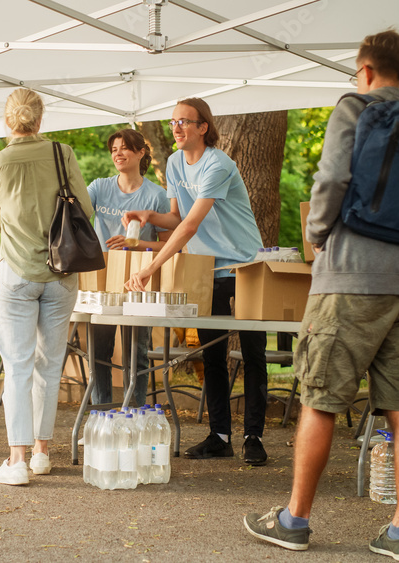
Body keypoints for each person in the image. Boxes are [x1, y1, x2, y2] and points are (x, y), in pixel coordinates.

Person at [244, 30, 399, 562]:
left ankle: (295, 520)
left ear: (367, 71)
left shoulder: (354, 107)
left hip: (348, 281)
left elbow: (330, 182)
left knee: (321, 399)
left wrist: (319, 238)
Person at [124, 97, 270, 466]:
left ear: (203, 127)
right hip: (208, 269)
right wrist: (150, 216)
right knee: (212, 355)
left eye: (184, 122)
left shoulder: (217, 164)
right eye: (173, 122)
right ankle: (220, 435)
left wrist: (150, 266)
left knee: (253, 354)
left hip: (246, 266)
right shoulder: (174, 162)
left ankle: (254, 436)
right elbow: (176, 217)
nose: (176, 128)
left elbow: (191, 225)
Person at [0, 88, 92, 485]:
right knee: (50, 364)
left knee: (17, 366)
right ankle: (43, 453)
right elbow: (86, 210)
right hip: (62, 272)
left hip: (17, 272)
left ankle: (17, 460)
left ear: (7, 121)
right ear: (40, 120)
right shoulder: (63, 154)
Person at [88, 128, 170, 408]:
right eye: (113, 149)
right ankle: (102, 414)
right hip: (103, 281)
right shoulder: (99, 187)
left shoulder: (157, 196)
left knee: (137, 351)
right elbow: (74, 217)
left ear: (141, 152)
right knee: (99, 350)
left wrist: (135, 245)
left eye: (124, 148)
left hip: (138, 283)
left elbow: (170, 246)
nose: (118, 154)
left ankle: (135, 414)